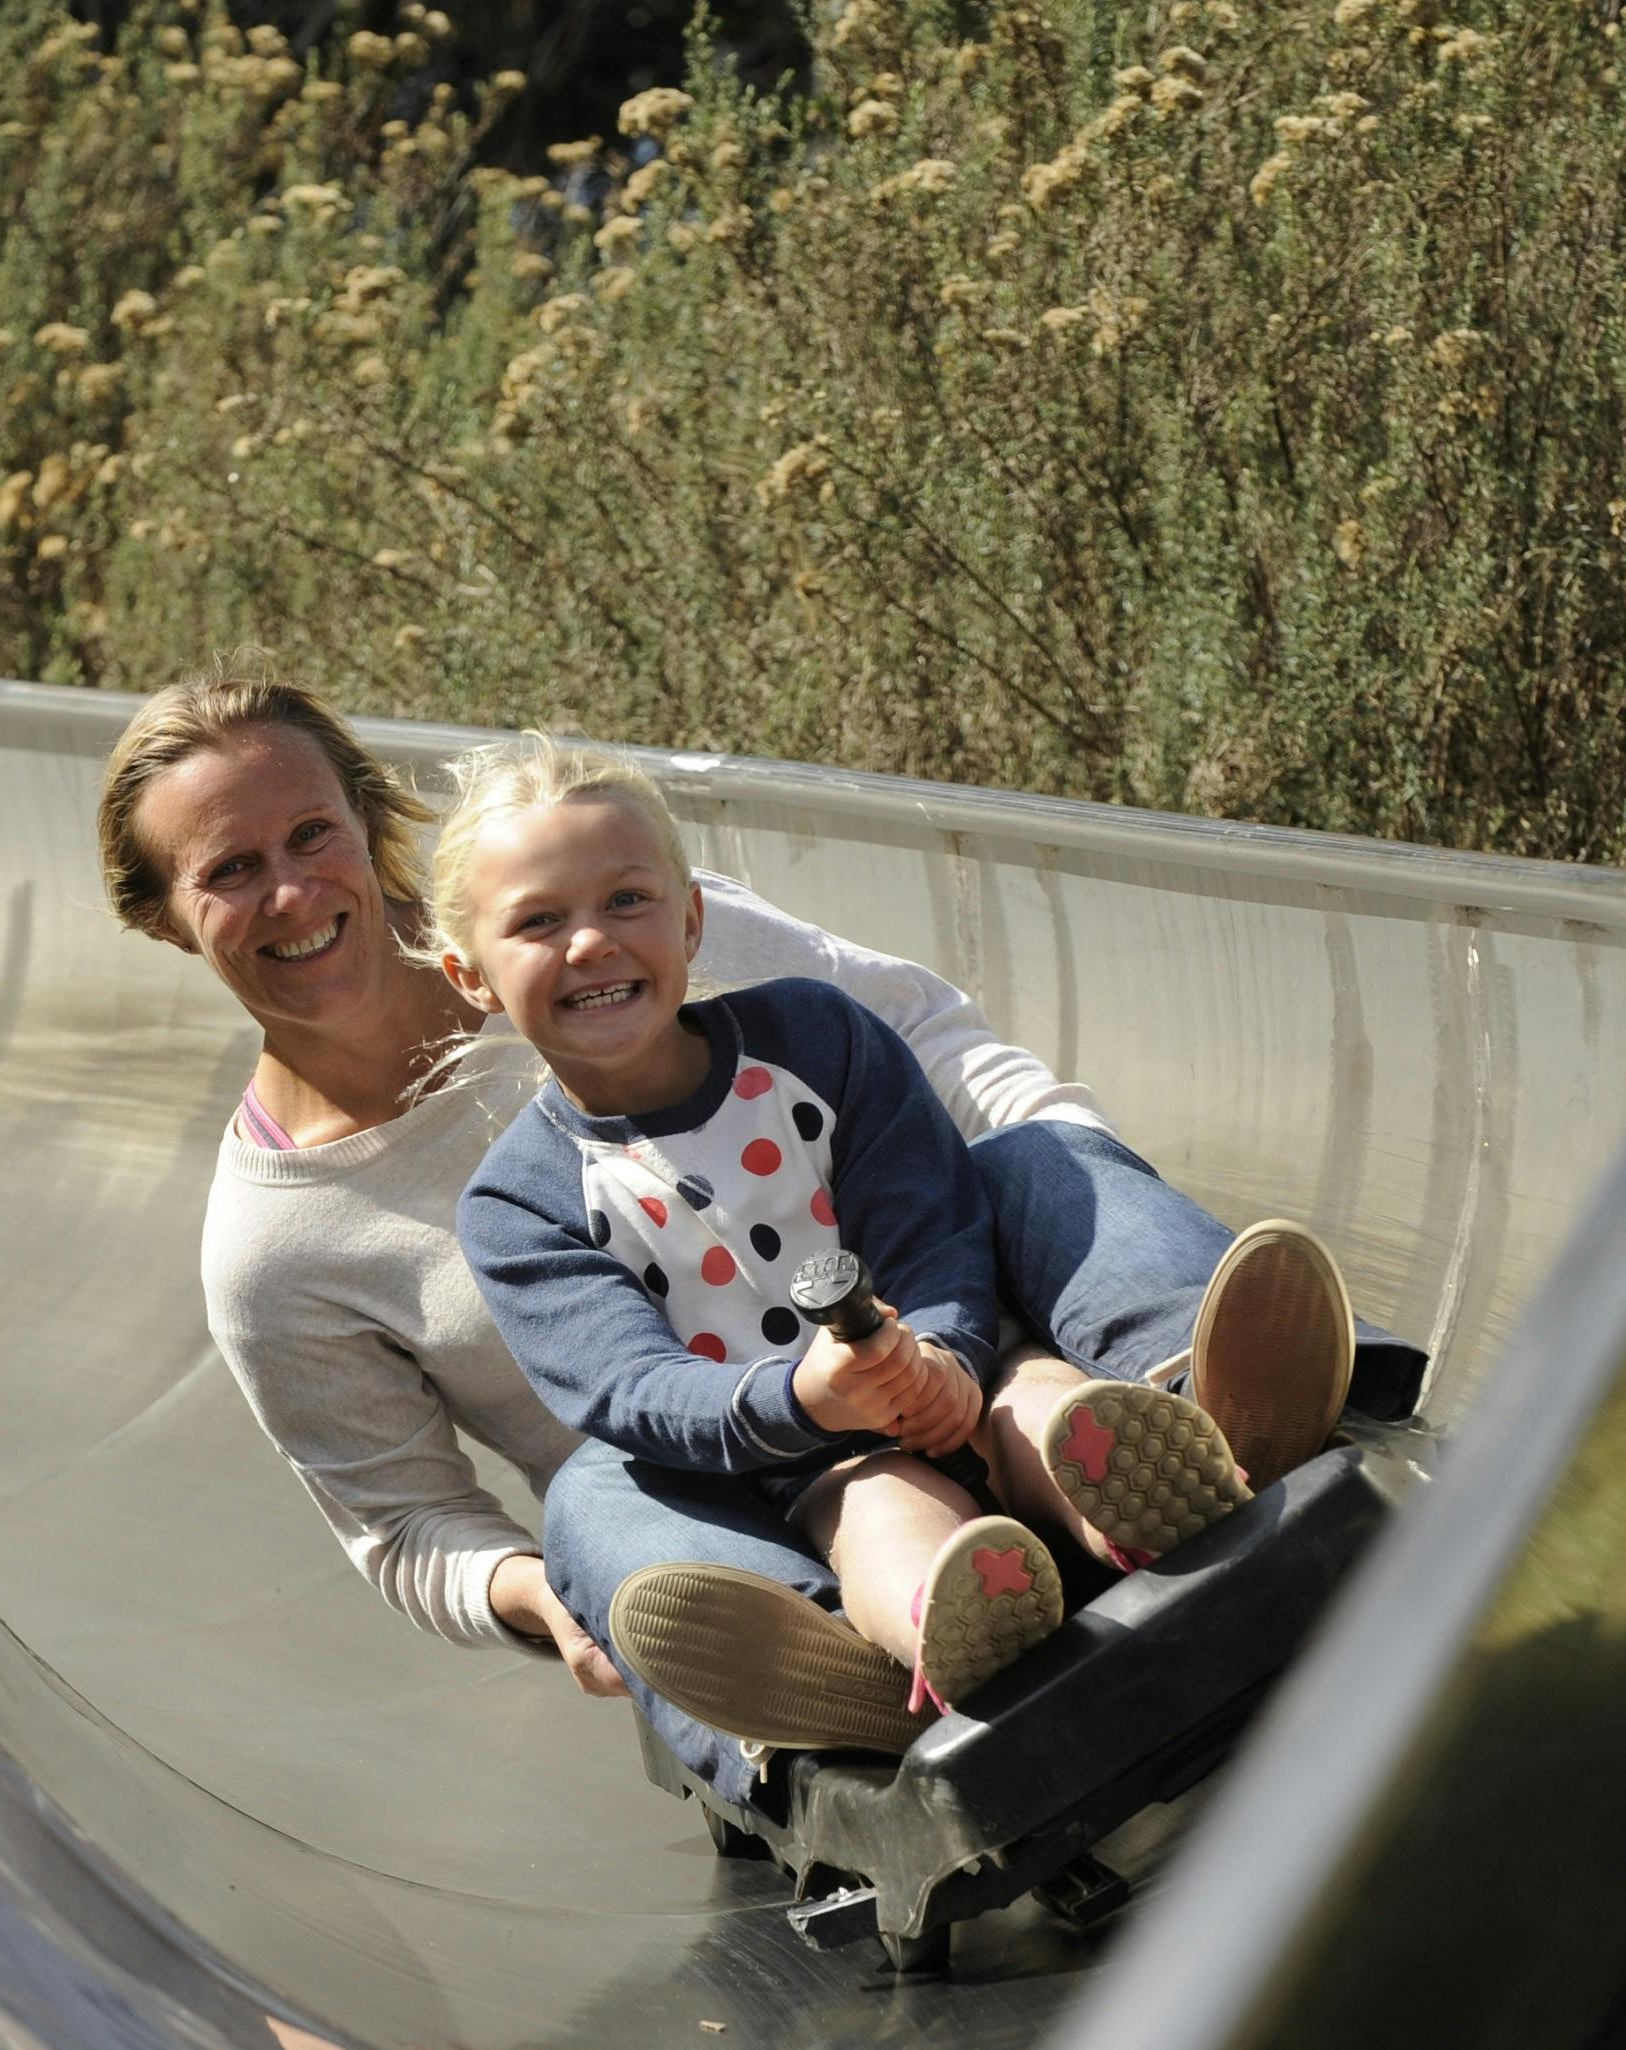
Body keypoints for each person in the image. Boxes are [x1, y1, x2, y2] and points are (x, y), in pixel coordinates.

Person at [96, 668, 1414, 1788]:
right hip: (727, 1482)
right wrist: (552, 1595)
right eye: (229, 871)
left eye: (309, 835)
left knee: (1028, 1155)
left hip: (963, 1326)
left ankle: (1208, 1403)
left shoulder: (625, 910)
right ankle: (852, 1668)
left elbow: (928, 1043)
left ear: (364, 821)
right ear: (164, 917)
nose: (290, 891)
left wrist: (1067, 1201)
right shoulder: (286, 1246)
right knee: (591, 1501)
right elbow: (404, 1525)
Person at [433, 734, 1248, 1716]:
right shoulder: (519, 1203)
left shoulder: (816, 1037)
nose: (591, 942)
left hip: (979, 1364)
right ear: (471, 977)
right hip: (817, 1459)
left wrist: (940, 1355)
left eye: (626, 900)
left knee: (1044, 1407)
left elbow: (925, 1211)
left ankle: (1143, 1491)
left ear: (690, 920)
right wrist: (806, 1400)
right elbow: (627, 1384)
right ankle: (959, 1622)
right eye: (538, 921)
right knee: (883, 1518)